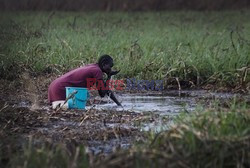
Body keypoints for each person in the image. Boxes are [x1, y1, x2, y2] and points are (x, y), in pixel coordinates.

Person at [48, 54, 122, 109]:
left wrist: (118, 104)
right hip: (59, 89)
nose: (110, 69)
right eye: (110, 66)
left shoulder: (94, 67)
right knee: (69, 109)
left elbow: (105, 90)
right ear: (103, 64)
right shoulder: (97, 71)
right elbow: (102, 93)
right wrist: (109, 76)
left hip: (54, 86)